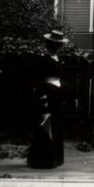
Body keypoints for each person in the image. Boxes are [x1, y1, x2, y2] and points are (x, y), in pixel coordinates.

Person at [27, 29, 68, 169]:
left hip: (57, 94)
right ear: (49, 44)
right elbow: (38, 79)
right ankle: (42, 160)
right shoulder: (43, 59)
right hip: (48, 93)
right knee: (45, 124)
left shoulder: (59, 59)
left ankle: (55, 158)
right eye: (54, 44)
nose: (57, 47)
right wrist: (43, 95)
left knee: (56, 125)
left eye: (59, 44)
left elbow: (62, 77)